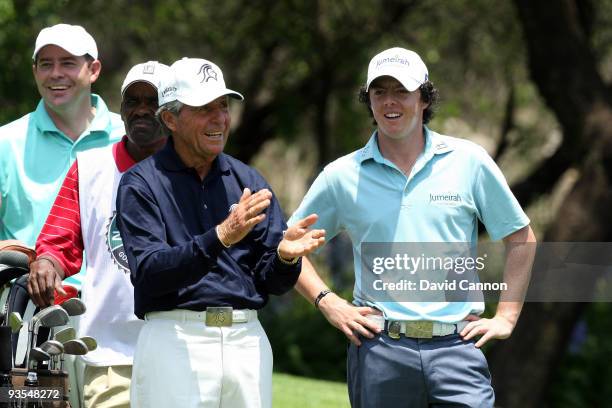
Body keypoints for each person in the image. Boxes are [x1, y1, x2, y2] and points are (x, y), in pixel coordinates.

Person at [289, 47, 536, 407]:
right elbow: (287, 247)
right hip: (380, 350)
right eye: (380, 92)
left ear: (423, 98)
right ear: (369, 102)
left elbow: (521, 238)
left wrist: (507, 316)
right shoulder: (341, 176)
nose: (390, 102)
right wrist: (328, 302)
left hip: (457, 347)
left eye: (401, 91)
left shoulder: (469, 162)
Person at [115, 57, 325, 408]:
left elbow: (270, 281)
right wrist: (221, 236)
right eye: (204, 108)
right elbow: (150, 272)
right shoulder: (140, 184)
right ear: (170, 119)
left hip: (246, 339)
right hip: (174, 338)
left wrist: (285, 258)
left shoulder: (248, 180)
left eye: (223, 107)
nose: (220, 119)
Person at [27, 61, 170, 407]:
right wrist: (46, 262)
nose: (141, 110)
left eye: (153, 102)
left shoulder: (193, 170)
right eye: (132, 101)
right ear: (120, 109)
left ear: (173, 112)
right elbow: (59, 242)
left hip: (181, 349)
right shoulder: (90, 167)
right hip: (110, 356)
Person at [0, 23, 124, 248]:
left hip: (116, 284)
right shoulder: (5, 143)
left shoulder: (128, 137)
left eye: (68, 63)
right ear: (35, 72)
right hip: (28, 282)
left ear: (93, 70)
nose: (56, 74)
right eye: (46, 64)